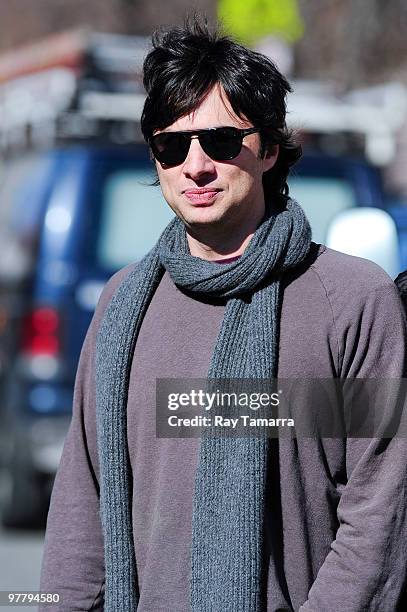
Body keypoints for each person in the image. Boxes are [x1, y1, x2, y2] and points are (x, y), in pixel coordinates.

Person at [40, 17, 407, 612]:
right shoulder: (121, 303)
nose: (196, 165)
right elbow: (82, 509)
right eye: (171, 144)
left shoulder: (353, 300)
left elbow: (379, 515)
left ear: (266, 148)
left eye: (220, 141)